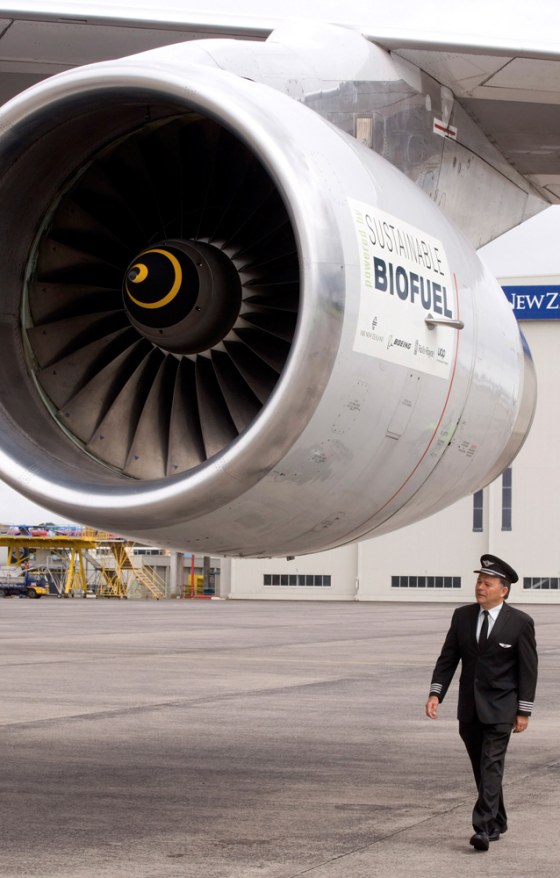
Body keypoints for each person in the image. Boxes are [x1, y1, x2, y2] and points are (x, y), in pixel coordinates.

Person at [425, 554, 538, 852]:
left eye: (487, 583)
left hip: (502, 707)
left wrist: (524, 710)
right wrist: (436, 693)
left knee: (491, 764)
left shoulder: (520, 623)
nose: (480, 587)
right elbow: (448, 658)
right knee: (482, 767)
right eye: (479, 582)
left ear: (504, 590)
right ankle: (498, 819)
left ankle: (483, 828)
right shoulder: (462, 616)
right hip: (470, 708)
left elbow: (528, 670)